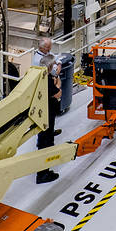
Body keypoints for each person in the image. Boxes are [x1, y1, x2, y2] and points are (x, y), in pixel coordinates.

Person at [35, 54, 63, 183]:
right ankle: (43, 174)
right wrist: (57, 84)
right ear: (50, 66)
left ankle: (43, 171)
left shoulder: (38, 76)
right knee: (46, 143)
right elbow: (58, 93)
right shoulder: (47, 79)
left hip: (41, 114)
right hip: (47, 114)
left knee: (43, 139)